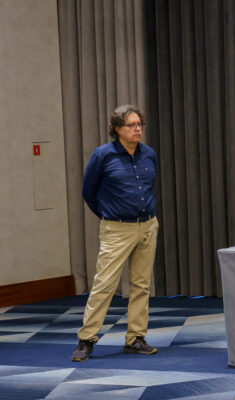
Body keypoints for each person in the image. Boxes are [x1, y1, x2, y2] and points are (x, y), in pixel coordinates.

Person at [71, 105, 159, 362]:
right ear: (117, 129)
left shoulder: (149, 154)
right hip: (117, 228)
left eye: (140, 124)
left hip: (148, 225)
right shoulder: (103, 155)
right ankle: (86, 339)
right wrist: (108, 214)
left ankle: (136, 338)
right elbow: (88, 191)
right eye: (132, 125)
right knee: (105, 285)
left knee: (141, 285)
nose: (138, 129)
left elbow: (149, 187)